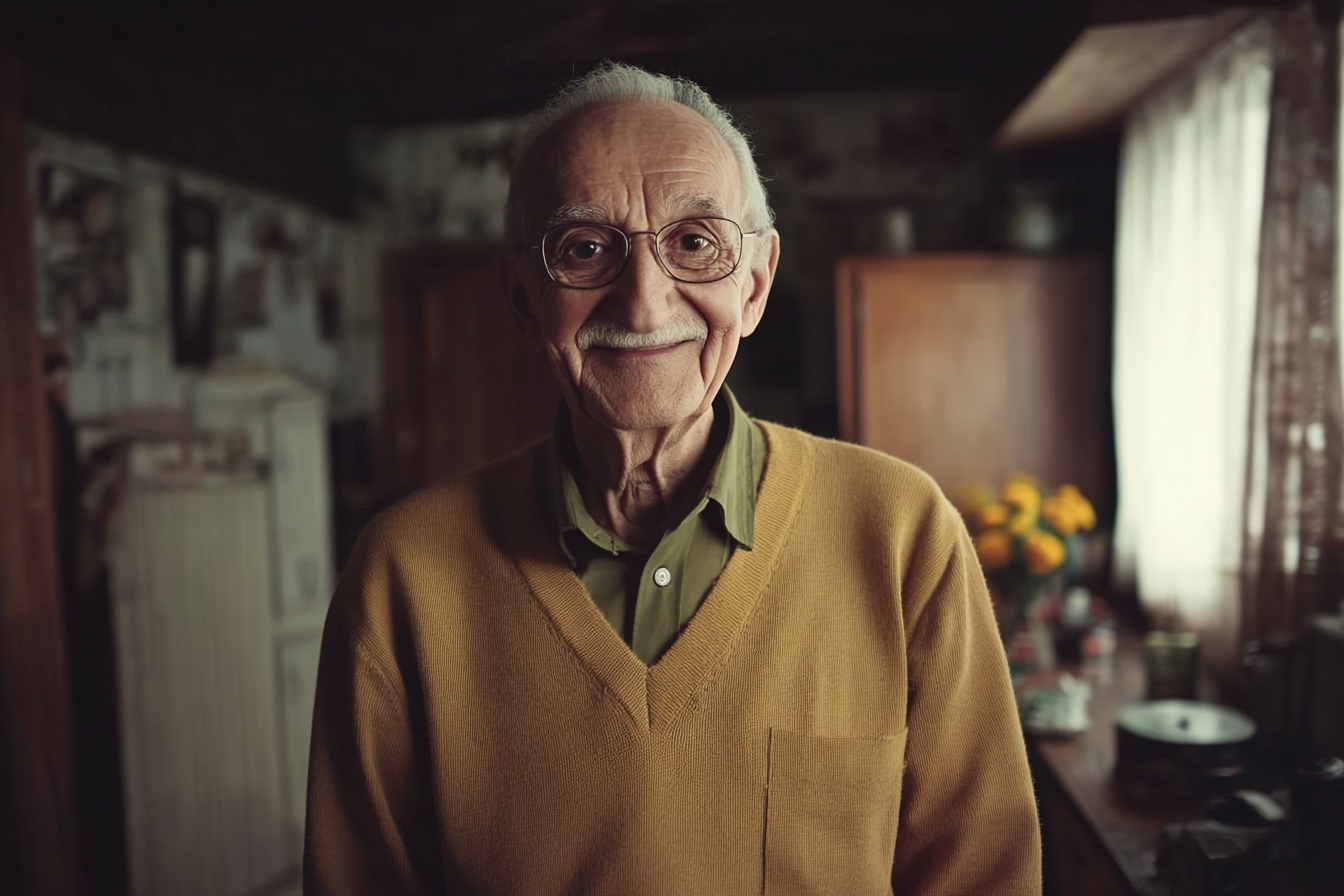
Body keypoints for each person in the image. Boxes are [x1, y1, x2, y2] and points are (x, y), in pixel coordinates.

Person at [305, 62, 1041, 896]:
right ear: (520, 298)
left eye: (695, 243)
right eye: (585, 249)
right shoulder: (402, 572)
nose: (645, 303)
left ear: (754, 284)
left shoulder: (904, 533)